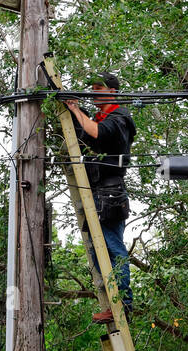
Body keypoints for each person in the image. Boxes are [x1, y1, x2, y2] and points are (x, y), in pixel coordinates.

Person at [65, 71, 136, 320]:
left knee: (113, 247)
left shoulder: (119, 118)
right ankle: (113, 302)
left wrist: (75, 109)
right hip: (97, 192)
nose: (94, 91)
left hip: (110, 193)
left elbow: (97, 133)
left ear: (113, 92)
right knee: (97, 249)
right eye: (92, 87)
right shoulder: (102, 117)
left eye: (99, 87)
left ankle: (123, 304)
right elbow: (86, 134)